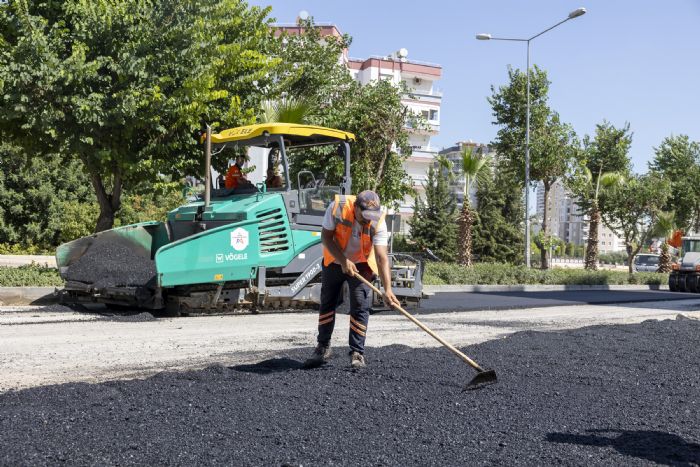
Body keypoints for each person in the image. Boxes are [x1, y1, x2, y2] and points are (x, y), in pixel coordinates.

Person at [304, 190, 401, 370]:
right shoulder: (337, 207)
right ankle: (323, 347)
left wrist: (388, 289)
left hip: (362, 262)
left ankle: (357, 352)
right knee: (328, 302)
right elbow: (326, 237)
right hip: (335, 259)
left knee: (360, 305)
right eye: (364, 216)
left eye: (372, 216)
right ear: (355, 207)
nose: (368, 220)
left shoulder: (378, 220)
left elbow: (382, 257)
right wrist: (343, 261)